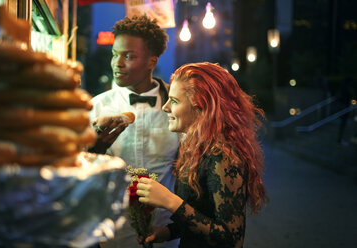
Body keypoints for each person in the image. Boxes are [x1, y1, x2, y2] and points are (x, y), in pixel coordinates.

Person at [136, 62, 268, 248]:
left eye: (174, 101)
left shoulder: (223, 156)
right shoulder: (197, 147)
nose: (165, 107)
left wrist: (170, 201)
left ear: (201, 106)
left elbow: (233, 239)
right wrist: (167, 232)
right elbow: (202, 216)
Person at [88, 15, 180, 248]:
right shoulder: (96, 107)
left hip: (166, 231)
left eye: (128, 56)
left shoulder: (178, 104)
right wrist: (95, 147)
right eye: (114, 54)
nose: (117, 63)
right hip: (114, 232)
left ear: (152, 61)